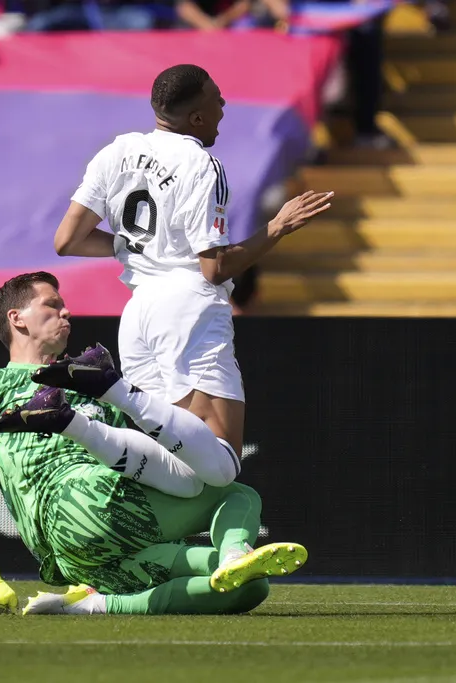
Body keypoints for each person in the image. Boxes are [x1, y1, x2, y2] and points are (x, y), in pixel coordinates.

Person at [0, 271, 307, 615]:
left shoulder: (89, 387)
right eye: (52, 304)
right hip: (78, 509)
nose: (66, 311)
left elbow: (135, 471)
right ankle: (233, 552)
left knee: (248, 587)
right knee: (237, 494)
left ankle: (92, 604)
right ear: (17, 318)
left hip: (83, 557)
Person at [52, 63, 333, 486]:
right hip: (188, 309)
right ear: (197, 118)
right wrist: (277, 228)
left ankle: (77, 420)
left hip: (138, 313)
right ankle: (108, 392)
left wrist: (139, 247)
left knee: (183, 475)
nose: (224, 104)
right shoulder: (202, 165)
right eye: (217, 98)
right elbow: (215, 268)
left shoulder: (117, 151)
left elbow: (68, 239)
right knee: (223, 464)